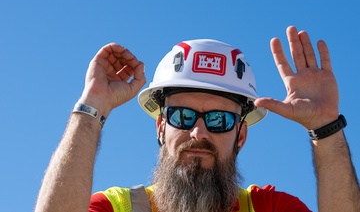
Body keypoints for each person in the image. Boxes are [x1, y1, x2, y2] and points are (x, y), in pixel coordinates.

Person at [34, 26, 360, 212]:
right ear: (161, 127)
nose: (198, 131)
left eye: (219, 119)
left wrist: (325, 127)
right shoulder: (116, 208)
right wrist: (92, 107)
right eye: (182, 115)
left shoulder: (269, 208)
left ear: (241, 136)